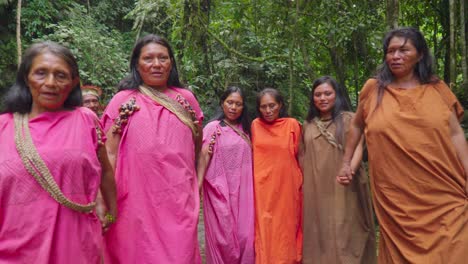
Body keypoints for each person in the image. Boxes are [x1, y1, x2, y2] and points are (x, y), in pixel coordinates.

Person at [337, 27, 468, 263]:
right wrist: (346, 163)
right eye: (390, 51)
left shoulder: (438, 89)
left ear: (419, 54)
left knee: (455, 248)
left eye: (403, 50)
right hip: (396, 198)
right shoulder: (373, 90)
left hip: (444, 191)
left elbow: (456, 135)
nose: (395, 56)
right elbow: (357, 126)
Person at [0, 41, 117, 263]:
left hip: (76, 249)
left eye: (61, 75)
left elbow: (105, 172)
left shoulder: (86, 120)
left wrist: (111, 213)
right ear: (26, 77)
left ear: (74, 83)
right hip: (13, 252)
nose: (50, 83)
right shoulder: (3, 127)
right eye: (41, 73)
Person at [101, 34, 203, 263]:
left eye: (163, 58)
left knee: (180, 253)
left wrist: (193, 184)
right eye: (148, 58)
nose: (156, 64)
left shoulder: (186, 100)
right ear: (137, 64)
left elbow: (197, 146)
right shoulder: (122, 100)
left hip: (178, 200)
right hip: (133, 201)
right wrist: (104, 198)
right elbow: (108, 152)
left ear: (171, 63)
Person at [301, 76, 376, 264]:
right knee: (321, 232)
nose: (322, 98)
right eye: (317, 94)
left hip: (345, 184)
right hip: (316, 188)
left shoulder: (350, 119)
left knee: (346, 231)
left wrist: (349, 170)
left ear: (337, 95)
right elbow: (302, 156)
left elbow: (359, 146)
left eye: (328, 93)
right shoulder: (307, 125)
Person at [197, 86, 255, 264]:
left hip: (245, 192)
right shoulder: (213, 128)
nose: (233, 107)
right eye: (230, 102)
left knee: (246, 237)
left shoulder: (248, 130)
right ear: (222, 103)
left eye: (238, 104)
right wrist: (197, 187)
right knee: (224, 238)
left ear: (243, 107)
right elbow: (203, 157)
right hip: (219, 190)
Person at [251, 88, 303, 264]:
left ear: (280, 105)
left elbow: (300, 156)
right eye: (263, 107)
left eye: (272, 105)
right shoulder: (255, 125)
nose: (268, 110)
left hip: (287, 188)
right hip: (262, 189)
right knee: (265, 230)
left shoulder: (292, 124)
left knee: (286, 230)